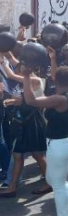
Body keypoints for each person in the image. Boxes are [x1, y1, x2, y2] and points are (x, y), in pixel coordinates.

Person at [21, 65, 68, 216]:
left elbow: (31, 100)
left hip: (59, 145)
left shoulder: (59, 99)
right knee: (52, 179)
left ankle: (67, 213)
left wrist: (26, 77)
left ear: (54, 79)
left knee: (57, 185)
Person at [0, 58, 50, 198]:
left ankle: (50, 182)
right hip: (21, 122)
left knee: (38, 155)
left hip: (33, 122)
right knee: (17, 155)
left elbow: (11, 77)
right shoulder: (24, 81)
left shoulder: (35, 81)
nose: (17, 71)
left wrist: (3, 60)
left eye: (20, 69)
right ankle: (12, 187)